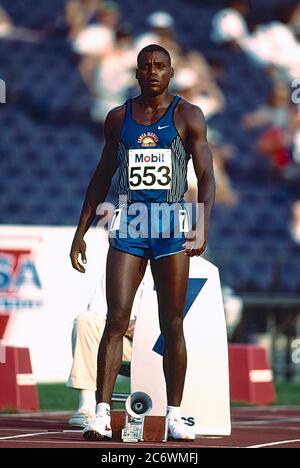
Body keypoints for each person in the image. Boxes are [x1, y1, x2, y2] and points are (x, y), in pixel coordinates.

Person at [70, 44, 215, 441]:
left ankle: (174, 414)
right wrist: (80, 232)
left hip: (170, 227)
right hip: (130, 226)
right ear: (136, 74)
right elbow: (101, 176)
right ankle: (100, 413)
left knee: (172, 323)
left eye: (160, 66)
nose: (152, 72)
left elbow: (206, 176)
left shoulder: (188, 116)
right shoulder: (118, 119)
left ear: (171, 73)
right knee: (115, 319)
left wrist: (201, 225)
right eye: (145, 66)